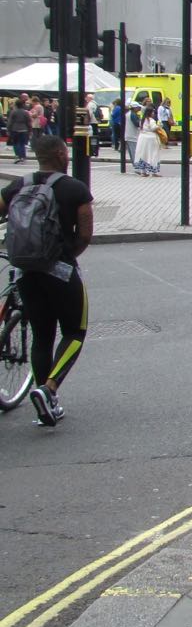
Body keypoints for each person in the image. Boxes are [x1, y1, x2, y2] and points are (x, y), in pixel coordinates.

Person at [0, 134, 93, 427]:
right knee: (75, 332)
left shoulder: (18, 186)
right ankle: (49, 389)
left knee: (42, 336)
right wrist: (67, 255)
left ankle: (45, 405)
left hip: (27, 273)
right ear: (61, 155)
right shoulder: (75, 189)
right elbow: (85, 234)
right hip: (60, 270)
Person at [134, 105, 163, 177]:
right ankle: (153, 171)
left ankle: (143, 171)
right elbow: (153, 128)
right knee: (152, 154)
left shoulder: (142, 120)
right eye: (153, 112)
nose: (153, 113)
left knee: (143, 154)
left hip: (142, 138)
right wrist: (159, 126)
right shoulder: (151, 120)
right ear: (150, 113)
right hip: (151, 138)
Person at [6, 99, 31, 163]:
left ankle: (17, 156)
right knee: (22, 144)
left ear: (16, 105)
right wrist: (30, 130)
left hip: (15, 129)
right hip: (24, 129)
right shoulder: (25, 112)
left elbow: (10, 122)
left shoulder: (13, 112)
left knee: (15, 143)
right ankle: (23, 157)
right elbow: (28, 122)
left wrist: (8, 130)